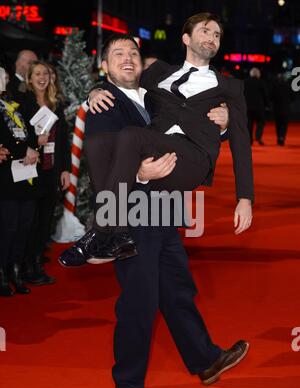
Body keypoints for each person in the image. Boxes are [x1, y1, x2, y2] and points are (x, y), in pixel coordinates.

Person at [64, 34, 249, 388]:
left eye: (133, 53)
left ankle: (205, 359)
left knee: (177, 289)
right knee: (139, 300)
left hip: (165, 211)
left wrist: (225, 122)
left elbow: (192, 123)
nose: (128, 59)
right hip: (130, 215)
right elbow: (101, 165)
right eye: (118, 55)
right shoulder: (105, 104)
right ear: (105, 66)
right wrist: (141, 175)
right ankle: (128, 382)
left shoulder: (154, 96)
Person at [61, 12, 253, 266]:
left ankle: (103, 230)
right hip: (157, 146)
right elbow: (125, 80)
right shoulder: (160, 73)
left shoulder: (230, 87)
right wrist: (95, 91)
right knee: (98, 143)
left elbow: (241, 144)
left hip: (193, 157)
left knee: (131, 135)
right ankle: (119, 236)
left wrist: (245, 199)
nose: (212, 38)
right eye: (205, 31)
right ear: (186, 38)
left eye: (216, 34)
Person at [21, 61, 71, 286]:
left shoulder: (56, 104)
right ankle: (25, 266)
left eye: (46, 74)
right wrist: (34, 140)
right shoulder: (22, 103)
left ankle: (36, 264)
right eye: (37, 74)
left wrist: (65, 170)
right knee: (30, 222)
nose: (42, 77)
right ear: (29, 78)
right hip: (31, 171)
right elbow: (18, 137)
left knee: (45, 221)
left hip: (52, 170)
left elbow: (62, 141)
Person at [0, 66, 39, 297]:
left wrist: (31, 146)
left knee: (25, 225)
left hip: (25, 174)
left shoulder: (12, 105)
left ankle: (16, 271)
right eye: (1, 75)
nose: (5, 79)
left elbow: (30, 132)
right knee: (8, 227)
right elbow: (5, 138)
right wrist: (24, 148)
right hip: (5, 176)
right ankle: (3, 274)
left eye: (5, 75)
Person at [244, 67, 269, 146]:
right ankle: (258, 137)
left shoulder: (245, 82)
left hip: (248, 107)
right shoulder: (261, 82)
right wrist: (267, 104)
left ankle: (250, 139)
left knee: (249, 124)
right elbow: (265, 95)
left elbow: (241, 94)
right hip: (259, 107)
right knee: (261, 122)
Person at [271, 73, 292, 146]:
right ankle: (282, 137)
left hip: (277, 108)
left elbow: (271, 97)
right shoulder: (288, 86)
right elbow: (292, 97)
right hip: (286, 108)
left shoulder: (275, 86)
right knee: (284, 124)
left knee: (278, 124)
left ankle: (279, 137)